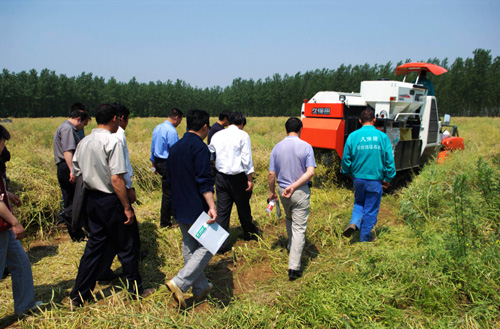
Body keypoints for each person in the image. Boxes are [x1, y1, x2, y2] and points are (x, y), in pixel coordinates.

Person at [70, 104, 153, 306]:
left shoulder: (84, 141)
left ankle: (79, 294)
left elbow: (76, 171)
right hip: (110, 200)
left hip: (91, 200)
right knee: (127, 245)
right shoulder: (112, 141)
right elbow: (116, 179)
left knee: (93, 247)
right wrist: (126, 207)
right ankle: (135, 291)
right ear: (115, 118)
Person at [166, 109, 217, 309]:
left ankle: (201, 287)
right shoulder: (200, 148)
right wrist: (212, 206)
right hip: (196, 206)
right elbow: (204, 181)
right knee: (210, 244)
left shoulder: (176, 147)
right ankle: (180, 282)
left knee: (189, 246)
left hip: (179, 205)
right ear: (205, 127)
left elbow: (169, 179)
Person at [0, 125, 42, 317]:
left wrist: (7, 194)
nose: (3, 146)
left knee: (21, 263)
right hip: (2, 226)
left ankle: (25, 306)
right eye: (3, 142)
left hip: (4, 228)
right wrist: (15, 222)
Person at [268, 117, 316, 281]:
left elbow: (271, 174)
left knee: (289, 219)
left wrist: (272, 192)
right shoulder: (306, 146)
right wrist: (295, 186)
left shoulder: (277, 147)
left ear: (286, 129)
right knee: (299, 227)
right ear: (301, 129)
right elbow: (310, 172)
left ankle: (291, 246)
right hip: (300, 191)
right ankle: (294, 268)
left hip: (283, 191)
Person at [341, 108, 396, 242]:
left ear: (360, 121)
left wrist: (348, 173)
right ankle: (365, 238)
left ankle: (354, 223)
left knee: (359, 202)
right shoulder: (382, 137)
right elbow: (389, 160)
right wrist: (388, 178)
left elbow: (346, 159)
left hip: (358, 178)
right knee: (371, 208)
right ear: (374, 120)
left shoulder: (353, 136)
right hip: (375, 179)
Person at [209, 112, 259, 247]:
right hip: (238, 178)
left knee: (223, 210)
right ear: (242, 123)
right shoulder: (243, 135)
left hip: (221, 177)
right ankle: (249, 234)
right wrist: (250, 178)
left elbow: (211, 153)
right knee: (243, 207)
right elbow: (246, 158)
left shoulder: (217, 135)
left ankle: (221, 244)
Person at [53, 110, 89, 241]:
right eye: (84, 124)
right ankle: (68, 215)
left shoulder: (64, 127)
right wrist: (72, 170)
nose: (82, 127)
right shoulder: (68, 129)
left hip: (64, 167)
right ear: (78, 119)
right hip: (67, 166)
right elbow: (68, 151)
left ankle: (76, 235)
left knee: (69, 198)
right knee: (78, 198)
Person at [150, 108, 183, 228]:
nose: (179, 123)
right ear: (176, 118)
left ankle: (171, 216)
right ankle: (165, 222)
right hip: (168, 163)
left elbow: (153, 147)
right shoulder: (171, 131)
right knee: (169, 193)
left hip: (159, 162)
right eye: (180, 120)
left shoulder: (157, 127)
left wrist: (153, 163)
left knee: (169, 190)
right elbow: (175, 151)